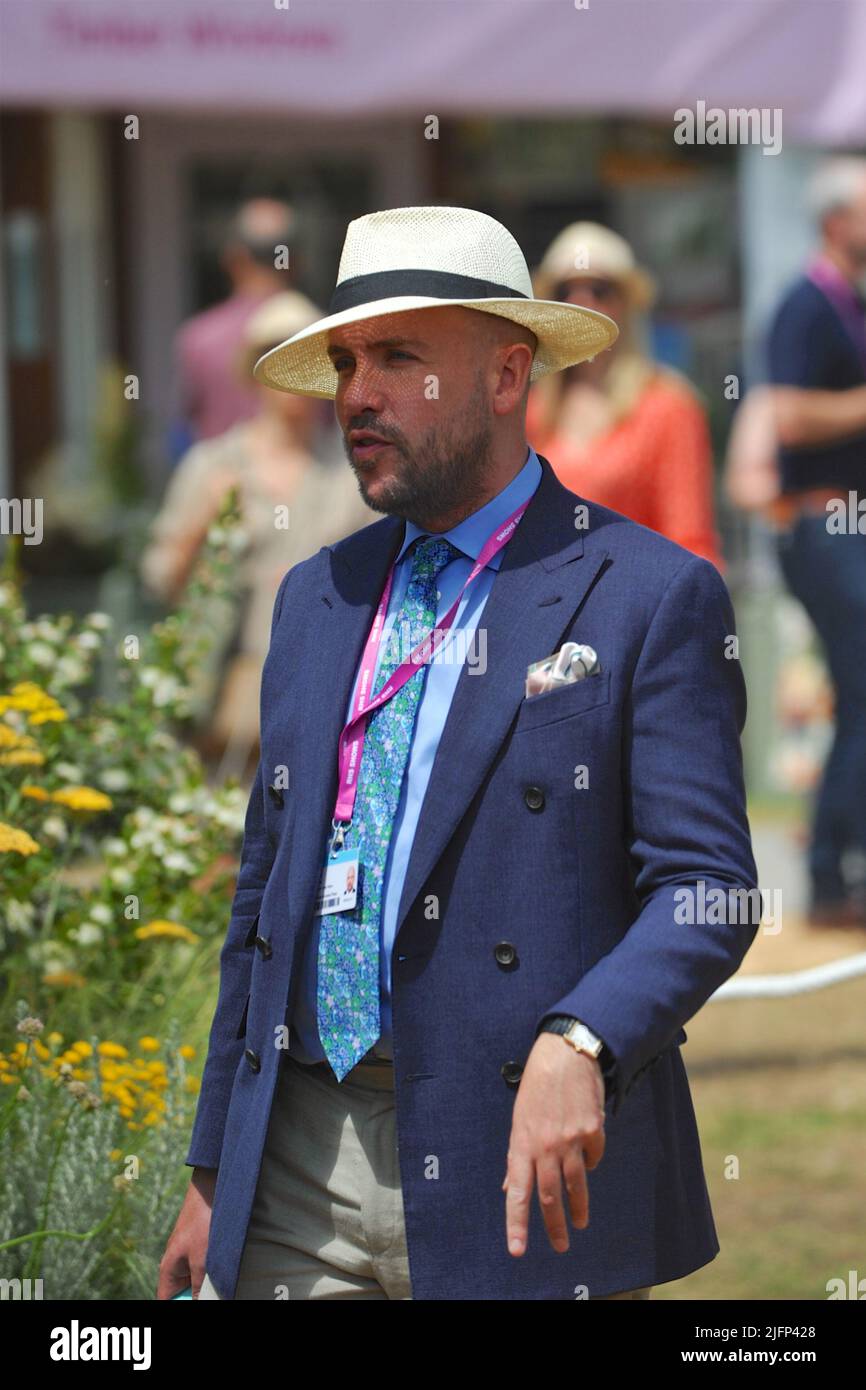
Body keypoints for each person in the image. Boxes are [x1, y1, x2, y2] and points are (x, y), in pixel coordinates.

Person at [158, 205, 760, 1302]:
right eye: (344, 360)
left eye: (397, 357)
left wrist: (583, 1037)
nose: (354, 394)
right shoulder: (314, 597)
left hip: (522, 1176)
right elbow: (264, 898)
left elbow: (706, 887)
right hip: (298, 1157)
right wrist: (215, 1168)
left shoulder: (645, 594)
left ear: (504, 374)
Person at [141, 291, 378, 775]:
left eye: (307, 359)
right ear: (259, 371)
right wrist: (203, 523)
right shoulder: (213, 464)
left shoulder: (355, 464)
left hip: (329, 692)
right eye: (280, 359)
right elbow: (161, 580)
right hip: (227, 701)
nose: (292, 379)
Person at [763, 156, 866, 928]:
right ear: (837, 221)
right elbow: (788, 417)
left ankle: (840, 870)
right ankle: (830, 875)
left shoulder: (848, 306)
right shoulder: (805, 306)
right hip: (823, 527)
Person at [527, 221, 724, 571]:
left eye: (599, 290)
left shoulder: (669, 406)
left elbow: (691, 538)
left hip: (635, 603)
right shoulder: (532, 409)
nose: (581, 301)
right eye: (565, 290)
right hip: (546, 607)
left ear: (626, 305)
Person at [173, 198, 298, 446]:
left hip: (221, 483)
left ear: (235, 259)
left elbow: (180, 435)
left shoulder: (199, 339)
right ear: (294, 260)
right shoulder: (319, 333)